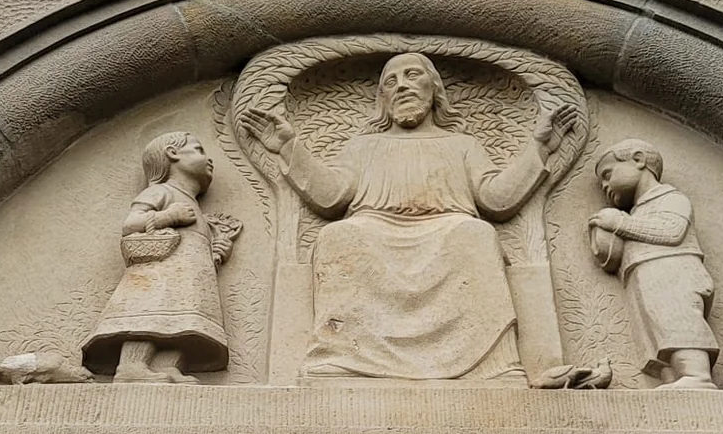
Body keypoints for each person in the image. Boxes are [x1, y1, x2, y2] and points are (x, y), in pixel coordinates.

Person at [239, 53, 573, 384]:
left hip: (449, 229)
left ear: (434, 89)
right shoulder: (363, 147)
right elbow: (331, 196)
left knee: (477, 235)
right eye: (391, 81)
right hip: (372, 228)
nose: (402, 86)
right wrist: (288, 147)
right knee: (337, 237)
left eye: (413, 75)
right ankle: (342, 358)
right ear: (382, 99)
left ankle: (491, 365)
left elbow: (497, 199)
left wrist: (539, 148)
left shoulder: (462, 144)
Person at [82, 132, 238, 383]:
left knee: (181, 322)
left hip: (189, 278)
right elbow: (130, 224)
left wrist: (216, 250)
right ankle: (131, 367)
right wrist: (167, 217)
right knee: (151, 314)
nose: (209, 159)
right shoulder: (161, 192)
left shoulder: (191, 202)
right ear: (172, 154)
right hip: (161, 274)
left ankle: (167, 366)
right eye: (198, 150)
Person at [588, 141, 719, 390]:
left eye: (608, 175)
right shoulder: (638, 211)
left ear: (638, 160)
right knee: (658, 329)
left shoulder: (670, 197)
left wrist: (619, 223)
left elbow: (672, 231)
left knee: (678, 321)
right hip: (646, 277)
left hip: (673, 274)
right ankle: (675, 378)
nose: (605, 185)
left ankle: (697, 375)